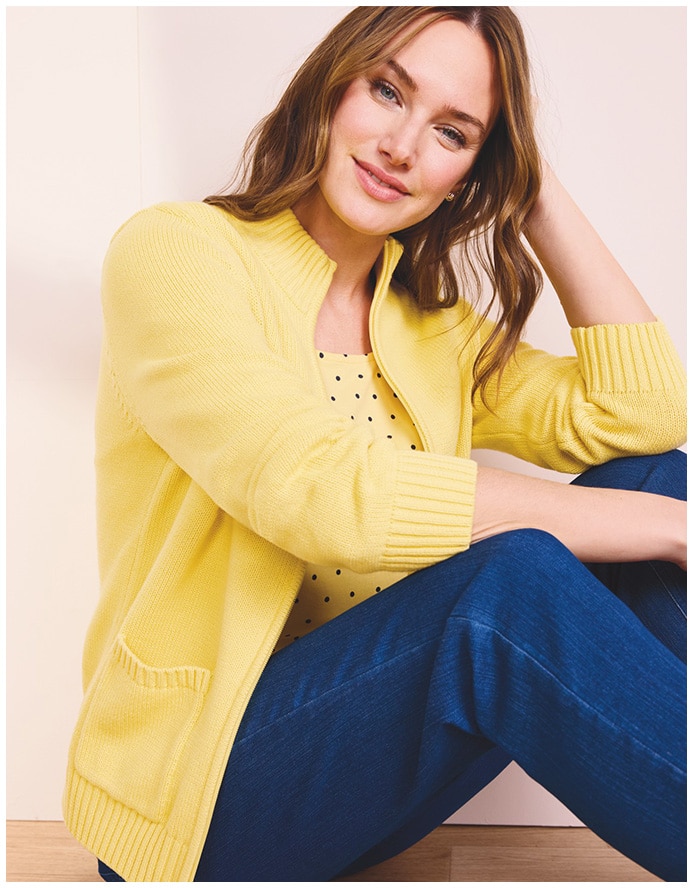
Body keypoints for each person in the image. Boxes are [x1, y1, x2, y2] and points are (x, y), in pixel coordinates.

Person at [63, 6, 686, 882]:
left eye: (451, 132)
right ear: (332, 84)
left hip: (361, 764)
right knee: (513, 583)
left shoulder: (428, 324)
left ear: (473, 169)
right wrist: (667, 530)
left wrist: (537, 189)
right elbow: (317, 491)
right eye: (386, 90)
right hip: (201, 799)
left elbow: (642, 416)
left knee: (657, 478)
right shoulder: (178, 254)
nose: (400, 146)